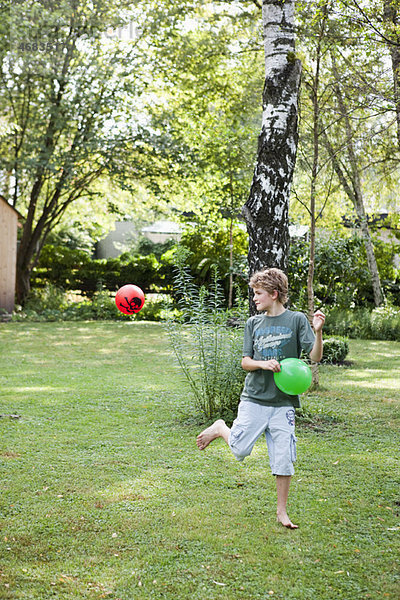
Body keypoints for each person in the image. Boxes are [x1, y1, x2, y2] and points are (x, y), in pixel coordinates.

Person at [196, 267, 325, 529]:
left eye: (258, 293)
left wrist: (319, 331)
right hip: (254, 397)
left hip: (283, 403)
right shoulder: (253, 323)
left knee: (284, 458)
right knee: (240, 449)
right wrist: (263, 364)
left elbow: (315, 358)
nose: (254, 298)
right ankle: (221, 427)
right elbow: (245, 362)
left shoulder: (297, 320)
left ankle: (281, 512)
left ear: (274, 294)